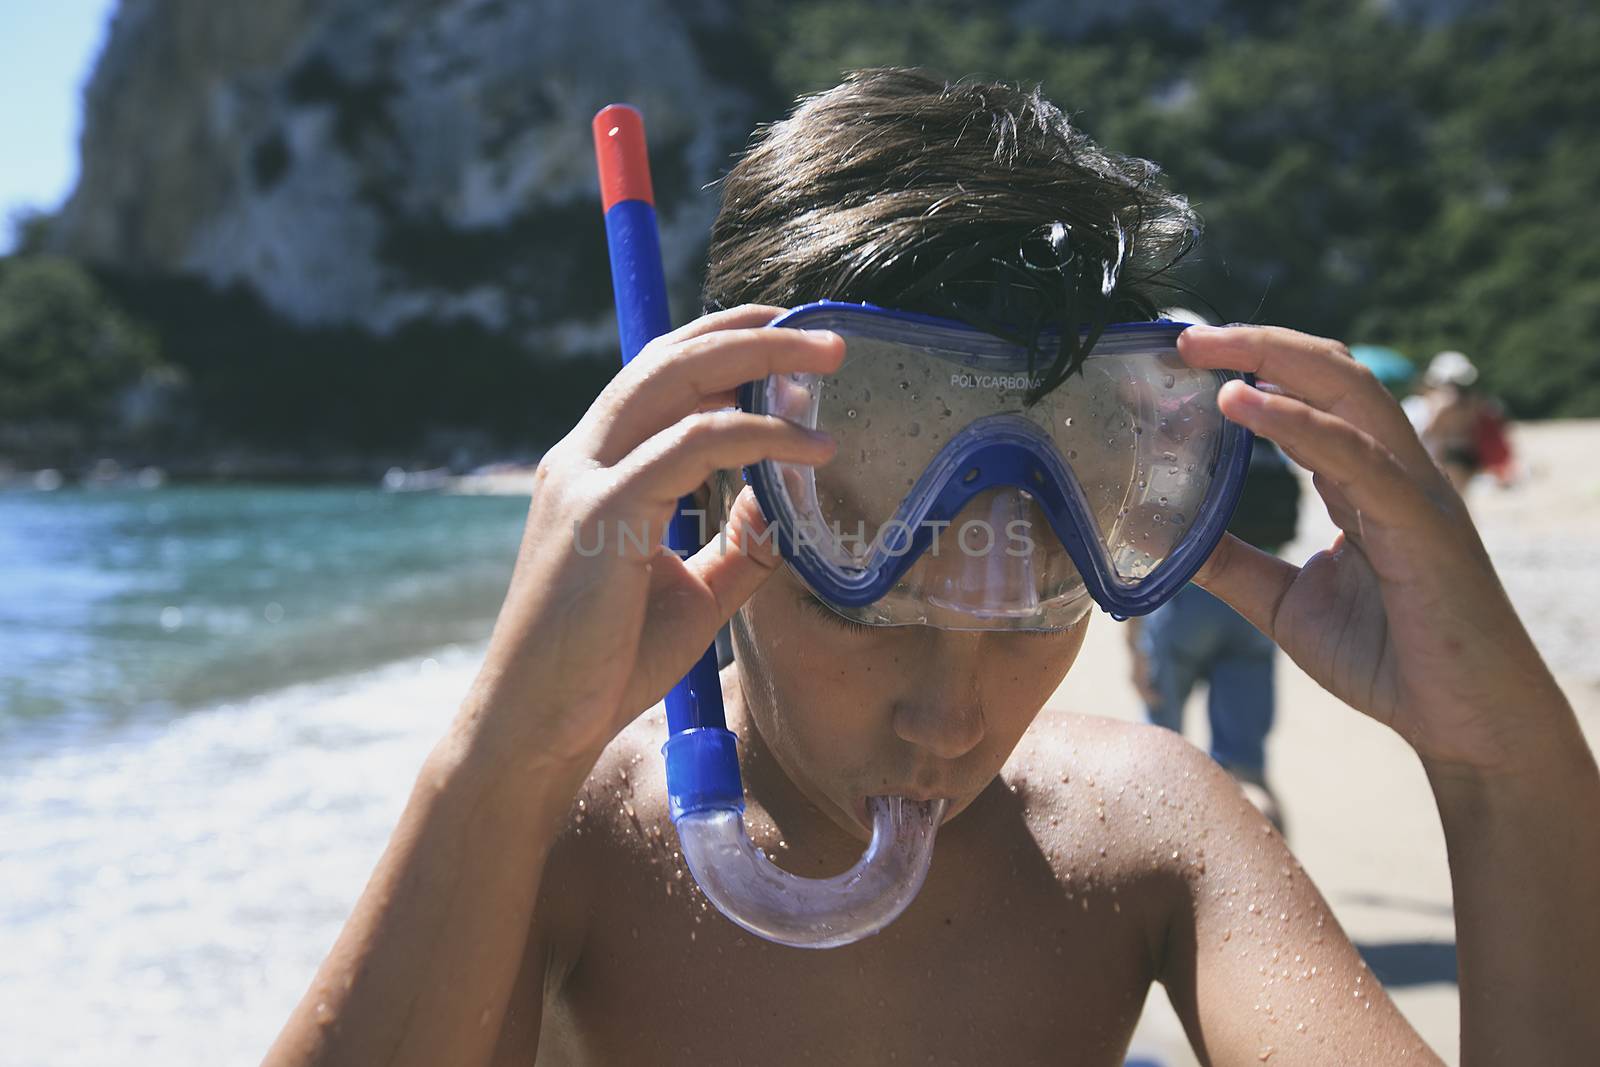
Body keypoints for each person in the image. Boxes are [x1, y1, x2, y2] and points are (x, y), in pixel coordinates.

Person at [265, 70, 1599, 1066]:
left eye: (1036, 611)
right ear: (722, 492)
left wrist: (1503, 761)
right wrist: (496, 758)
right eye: (881, 597)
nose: (949, 716)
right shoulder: (556, 848)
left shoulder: (1142, 840)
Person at [1127, 433, 1301, 831]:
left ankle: (1159, 859)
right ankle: (1268, 870)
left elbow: (1142, 551)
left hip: (1184, 605)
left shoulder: (1191, 449)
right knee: (1245, 768)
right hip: (1257, 608)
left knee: (1161, 750)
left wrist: (1135, 648)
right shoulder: (1271, 449)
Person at [1403, 350, 1515, 492]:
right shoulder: (1415, 409)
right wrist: (1438, 417)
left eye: (1463, 389)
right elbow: (1407, 449)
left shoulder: (1473, 413)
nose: (1458, 396)